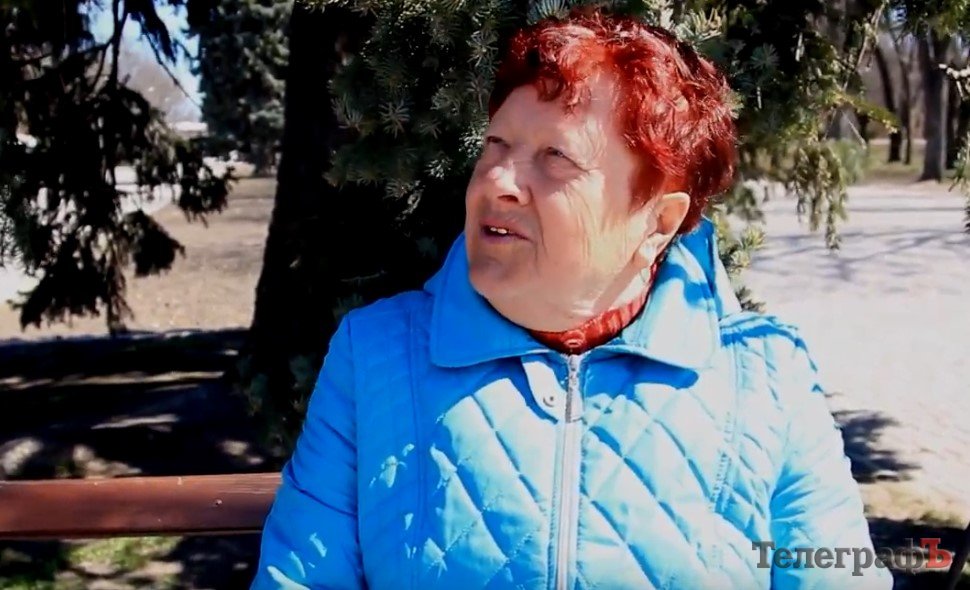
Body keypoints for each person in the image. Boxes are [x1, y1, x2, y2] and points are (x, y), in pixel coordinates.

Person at [250, 8, 892, 589]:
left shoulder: (767, 379)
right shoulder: (377, 357)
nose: (498, 180)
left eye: (555, 157)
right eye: (496, 146)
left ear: (659, 222)